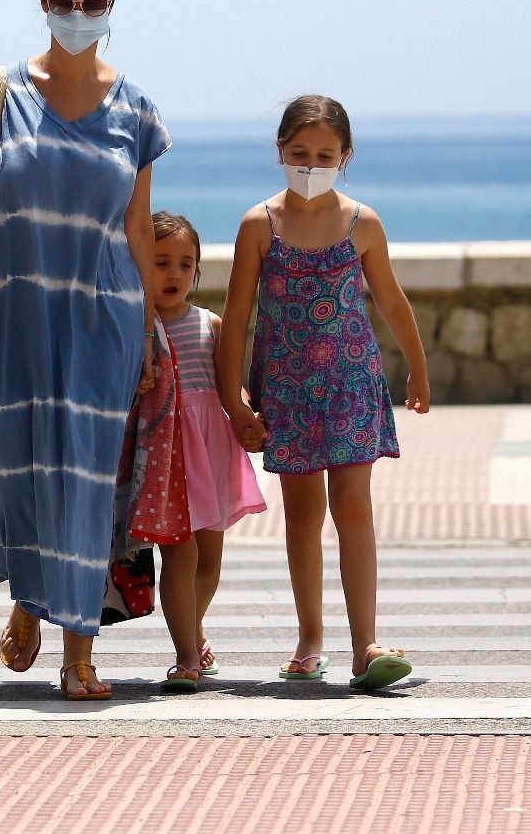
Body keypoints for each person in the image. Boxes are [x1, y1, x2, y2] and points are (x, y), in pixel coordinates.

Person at [0, 0, 169, 701]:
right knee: (19, 469)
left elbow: (138, 228)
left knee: (86, 477)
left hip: (103, 314)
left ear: (113, 7)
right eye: (64, 2)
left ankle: (79, 651)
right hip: (8, 314)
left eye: (94, 3)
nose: (78, 15)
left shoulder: (138, 111)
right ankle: (30, 598)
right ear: (43, 3)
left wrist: (154, 325)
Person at [215, 94, 431, 691]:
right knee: (304, 513)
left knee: (355, 507)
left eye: (325, 155)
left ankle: (366, 645)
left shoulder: (364, 223)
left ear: (346, 156)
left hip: (352, 385)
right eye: (300, 153)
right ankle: (311, 638)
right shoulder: (259, 225)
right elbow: (237, 317)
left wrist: (417, 367)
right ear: (279, 152)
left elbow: (390, 298)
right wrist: (234, 400)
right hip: (286, 388)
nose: (311, 163)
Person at [140, 212, 266, 690]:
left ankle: (193, 629)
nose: (174, 274)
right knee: (178, 554)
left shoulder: (209, 324)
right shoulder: (138, 325)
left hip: (210, 448)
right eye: (161, 263)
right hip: (165, 452)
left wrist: (248, 416)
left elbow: (230, 383)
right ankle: (186, 655)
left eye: (185, 264)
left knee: (210, 557)